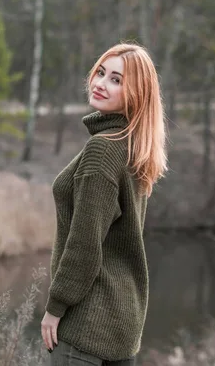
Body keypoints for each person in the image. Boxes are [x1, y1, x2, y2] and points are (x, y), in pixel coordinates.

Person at [40, 42, 168, 365]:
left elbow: (85, 244)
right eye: (101, 72)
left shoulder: (104, 151)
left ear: (136, 94)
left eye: (116, 79)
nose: (100, 83)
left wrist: (55, 307)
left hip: (87, 323)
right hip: (123, 326)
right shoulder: (133, 149)